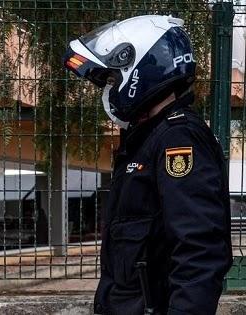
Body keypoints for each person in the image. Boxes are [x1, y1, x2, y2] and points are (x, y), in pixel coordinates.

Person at [64, 15, 232, 314]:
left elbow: (200, 250)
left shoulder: (178, 138)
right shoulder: (146, 139)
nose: (108, 90)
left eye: (113, 79)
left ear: (142, 68)